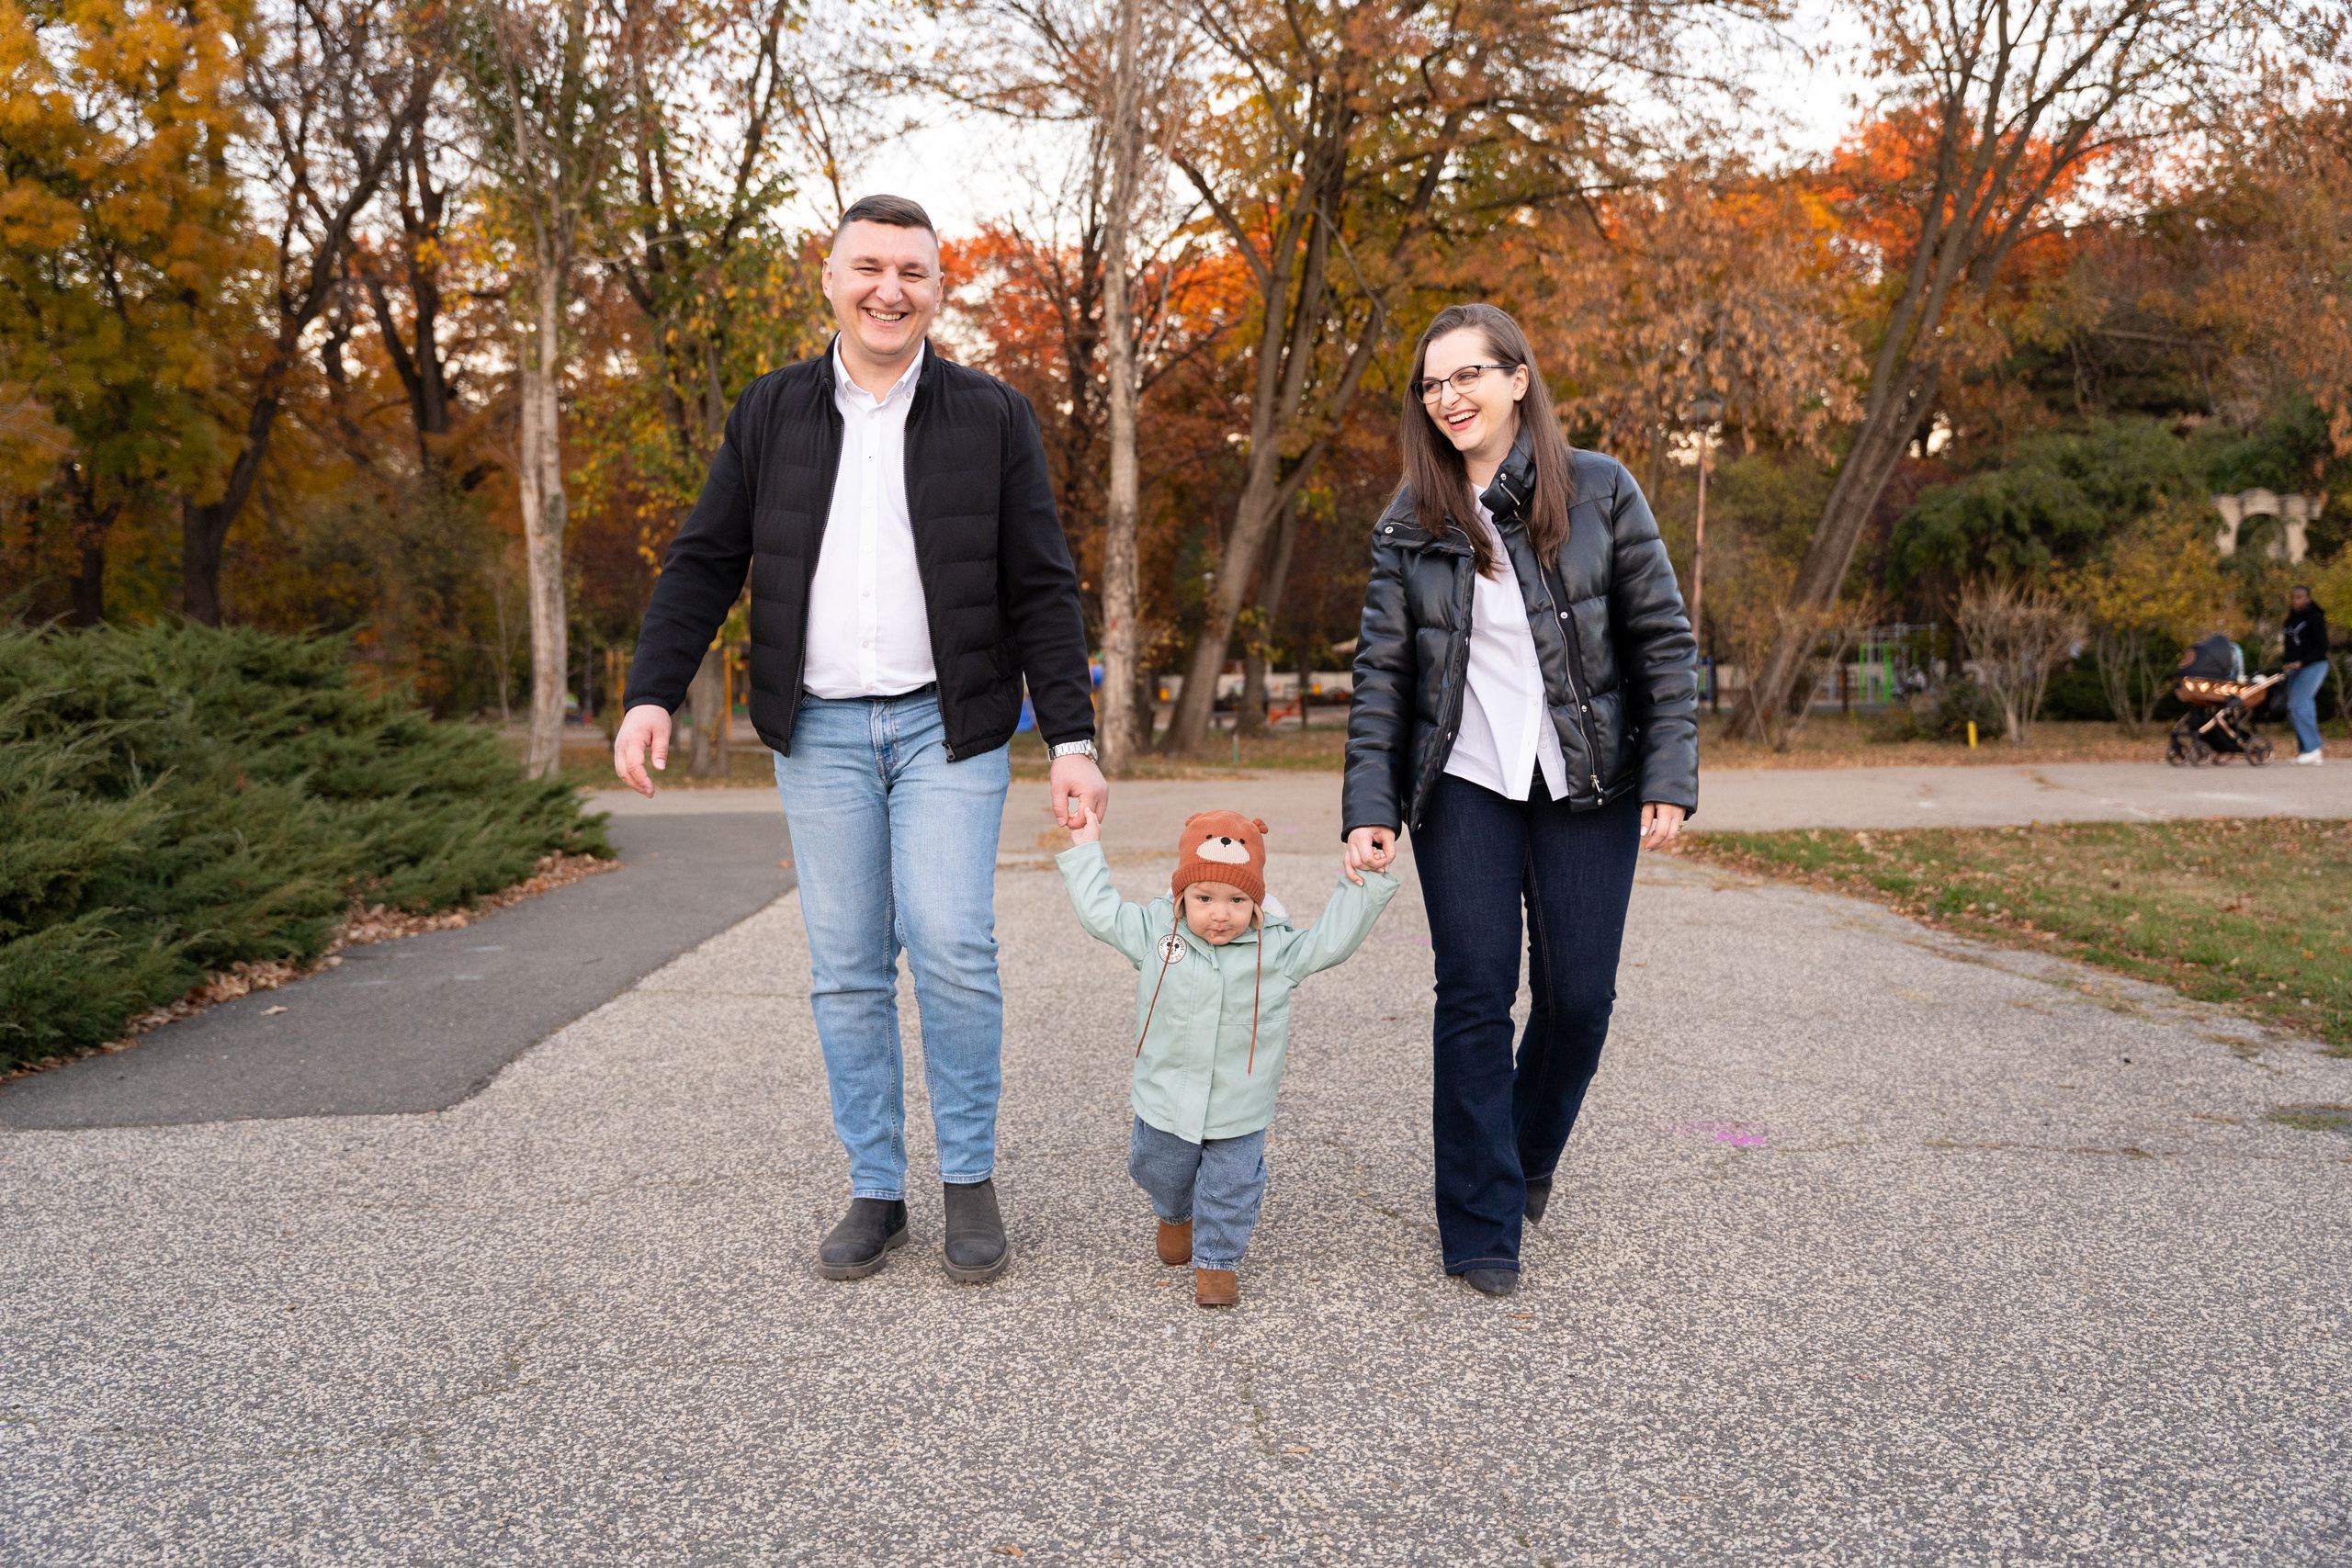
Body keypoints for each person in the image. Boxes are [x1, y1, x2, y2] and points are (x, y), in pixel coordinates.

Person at [610, 195, 1108, 1285]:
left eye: (914, 272)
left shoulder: (992, 415)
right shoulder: (771, 410)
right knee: (844, 968)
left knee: (951, 946)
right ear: (829, 278)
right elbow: (705, 560)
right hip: (820, 731)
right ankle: (875, 1188)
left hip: (952, 723)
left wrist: (1070, 736)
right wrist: (654, 692)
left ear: (939, 288)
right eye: (870, 268)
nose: (892, 289)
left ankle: (967, 1180)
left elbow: (1041, 583)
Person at [1340, 302, 1698, 1298]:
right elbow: (1382, 679)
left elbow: (1663, 645)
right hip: (1464, 784)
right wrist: (1369, 804)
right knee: (1473, 994)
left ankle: (1526, 1154)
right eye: (1432, 383)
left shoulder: (1601, 491)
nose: (1448, 397)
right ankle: (1481, 1221)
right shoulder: (1409, 522)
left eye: (1467, 376)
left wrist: (1669, 778)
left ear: (1516, 380)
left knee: (1580, 999)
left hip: (1586, 781)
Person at [1057, 807, 1397, 1308]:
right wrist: (1085, 846)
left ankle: (1217, 1262)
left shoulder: (1274, 951)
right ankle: (1175, 1214)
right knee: (1158, 1167)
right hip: (1167, 1096)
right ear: (1182, 897)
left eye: (1237, 900)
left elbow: (1331, 943)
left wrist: (1363, 882)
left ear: (1256, 902)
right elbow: (1099, 912)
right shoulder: (1157, 934)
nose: (1220, 914)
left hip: (1239, 1103)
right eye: (1204, 898)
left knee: (1231, 1182)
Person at [2283, 584, 2329, 765]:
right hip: (2294, 668)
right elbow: (2290, 646)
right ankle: (2308, 752)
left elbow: (2322, 647)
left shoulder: (2315, 618)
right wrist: (2287, 662)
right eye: (2293, 597)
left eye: (2300, 597)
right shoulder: (2290, 620)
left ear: (2308, 599)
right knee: (2300, 707)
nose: (2295, 601)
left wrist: (2301, 662)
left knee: (2298, 703)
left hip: (2314, 666)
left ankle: (2313, 748)